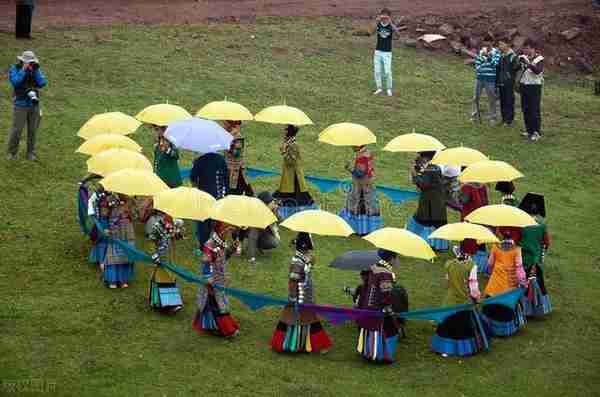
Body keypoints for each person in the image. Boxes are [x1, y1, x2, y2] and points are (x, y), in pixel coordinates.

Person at [270, 232, 332, 354]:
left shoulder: (302, 259)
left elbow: (308, 268)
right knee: (296, 319)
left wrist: (310, 262)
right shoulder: (297, 262)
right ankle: (285, 343)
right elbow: (293, 280)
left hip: (305, 297)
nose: (310, 252)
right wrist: (293, 297)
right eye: (308, 249)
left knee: (304, 319)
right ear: (305, 249)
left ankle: (290, 344)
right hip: (298, 297)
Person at [432, 248, 490, 357]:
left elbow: (446, 284)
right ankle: (461, 350)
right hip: (464, 304)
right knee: (462, 328)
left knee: (446, 327)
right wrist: (477, 298)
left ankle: (445, 349)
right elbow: (473, 288)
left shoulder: (449, 264)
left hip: (449, 302)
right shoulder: (472, 265)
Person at [192, 221, 240, 337]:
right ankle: (225, 328)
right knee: (216, 303)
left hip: (220, 279)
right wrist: (208, 277)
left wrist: (233, 248)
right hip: (212, 280)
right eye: (227, 230)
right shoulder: (210, 245)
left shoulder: (222, 243)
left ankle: (211, 325)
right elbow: (206, 262)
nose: (228, 233)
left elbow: (223, 257)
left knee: (217, 301)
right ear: (220, 231)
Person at [355, 249, 401, 363]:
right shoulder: (385, 273)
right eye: (397, 258)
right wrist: (390, 309)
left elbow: (365, 288)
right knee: (390, 329)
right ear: (391, 259)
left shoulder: (372, 268)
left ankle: (368, 352)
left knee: (369, 329)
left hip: (367, 308)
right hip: (379, 310)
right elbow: (386, 294)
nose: (398, 261)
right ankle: (381, 355)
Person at [482, 232, 528, 336]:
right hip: (509, 284)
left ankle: (488, 327)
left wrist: (490, 271)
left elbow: (489, 264)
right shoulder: (517, 249)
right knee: (506, 306)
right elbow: (519, 267)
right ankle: (502, 331)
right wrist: (522, 282)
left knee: (491, 303)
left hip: (495, 282)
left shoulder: (495, 247)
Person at [7, 50, 47, 161]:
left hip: (34, 104)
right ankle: (12, 152)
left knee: (33, 130)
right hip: (20, 104)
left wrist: (36, 70)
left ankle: (30, 153)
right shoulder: (15, 69)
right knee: (17, 130)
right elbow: (15, 82)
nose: (30, 64)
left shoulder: (35, 69)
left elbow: (42, 83)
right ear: (22, 61)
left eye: (31, 62)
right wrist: (24, 70)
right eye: (28, 62)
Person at [272, 125, 317, 220]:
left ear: (289, 132)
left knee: (295, 196)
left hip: (293, 177)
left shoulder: (294, 145)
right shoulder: (288, 143)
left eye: (286, 129)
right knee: (287, 195)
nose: (283, 131)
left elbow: (291, 161)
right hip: (289, 175)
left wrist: (283, 151)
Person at [518, 193, 552, 317]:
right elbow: (546, 242)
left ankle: (524, 310)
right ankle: (539, 309)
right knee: (538, 283)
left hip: (523, 259)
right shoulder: (542, 224)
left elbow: (517, 241)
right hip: (535, 260)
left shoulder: (521, 224)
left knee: (522, 284)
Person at [407, 151, 448, 251]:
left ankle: (414, 241)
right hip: (434, 201)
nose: (418, 158)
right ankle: (438, 245)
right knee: (435, 222)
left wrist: (414, 175)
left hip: (431, 202)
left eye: (420, 156)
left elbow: (423, 184)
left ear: (425, 158)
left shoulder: (430, 170)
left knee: (422, 221)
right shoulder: (434, 168)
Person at [223, 120, 253, 255]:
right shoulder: (228, 135)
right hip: (230, 176)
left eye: (225, 122)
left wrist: (226, 143)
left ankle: (238, 241)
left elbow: (236, 153)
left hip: (236, 179)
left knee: (236, 210)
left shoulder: (237, 137)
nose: (223, 124)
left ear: (231, 123)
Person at [339, 145, 383, 236]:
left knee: (360, 206)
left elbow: (360, 173)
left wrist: (349, 168)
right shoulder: (368, 153)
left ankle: (361, 230)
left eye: (353, 145)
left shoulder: (362, 157)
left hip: (361, 187)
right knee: (368, 205)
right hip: (368, 185)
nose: (351, 147)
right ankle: (368, 229)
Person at [146, 211, 184, 314]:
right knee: (162, 280)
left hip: (170, 257)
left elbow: (175, 238)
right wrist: (154, 255)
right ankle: (163, 304)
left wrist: (178, 233)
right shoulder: (157, 226)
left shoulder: (173, 224)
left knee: (171, 279)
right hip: (161, 258)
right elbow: (151, 241)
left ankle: (172, 302)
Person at [190, 152, 229, 245]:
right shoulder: (221, 159)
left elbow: (193, 178)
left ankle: (203, 245)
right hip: (219, 195)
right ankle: (218, 244)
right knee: (218, 222)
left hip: (204, 196)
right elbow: (226, 178)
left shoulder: (199, 161)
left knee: (203, 221)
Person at [102, 194, 136, 289]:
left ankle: (123, 280)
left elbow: (137, 216)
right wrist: (105, 227)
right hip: (114, 230)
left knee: (125, 255)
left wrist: (129, 210)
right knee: (113, 255)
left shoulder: (131, 201)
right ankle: (112, 280)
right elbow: (104, 214)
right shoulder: (110, 199)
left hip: (128, 231)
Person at [456, 179, 489, 271]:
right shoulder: (482, 186)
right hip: (480, 216)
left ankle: (468, 261)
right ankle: (481, 263)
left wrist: (460, 189)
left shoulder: (467, 187)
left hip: (469, 216)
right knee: (479, 240)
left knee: (469, 240)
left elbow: (463, 201)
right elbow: (486, 201)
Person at [518, 40, 544, 142]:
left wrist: (528, 64)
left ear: (533, 48)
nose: (525, 50)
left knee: (534, 110)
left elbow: (538, 71)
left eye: (527, 48)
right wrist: (520, 62)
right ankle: (529, 130)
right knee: (526, 109)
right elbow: (518, 69)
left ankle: (536, 132)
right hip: (524, 86)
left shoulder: (539, 59)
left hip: (535, 87)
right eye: (524, 48)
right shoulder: (524, 58)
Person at [246, 191, 281, 264]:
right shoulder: (255, 212)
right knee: (254, 233)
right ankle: (251, 256)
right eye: (271, 202)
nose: (273, 203)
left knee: (274, 242)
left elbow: (279, 221)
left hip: (263, 232)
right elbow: (252, 233)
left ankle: (257, 246)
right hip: (247, 230)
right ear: (264, 204)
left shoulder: (272, 209)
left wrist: (275, 211)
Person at [471, 43, 500, 125]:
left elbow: (495, 64)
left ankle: (493, 118)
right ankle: (474, 116)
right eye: (486, 44)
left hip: (490, 78)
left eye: (489, 44)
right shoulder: (481, 51)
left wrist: (488, 57)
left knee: (492, 98)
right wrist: (479, 67)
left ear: (491, 43)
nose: (487, 46)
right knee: (476, 97)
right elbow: (478, 62)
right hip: (480, 77)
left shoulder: (496, 52)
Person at [372, 8, 400, 96]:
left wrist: (391, 24)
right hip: (378, 51)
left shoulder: (391, 26)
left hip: (387, 52)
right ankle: (379, 88)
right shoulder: (378, 24)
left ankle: (388, 89)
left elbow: (398, 35)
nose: (384, 18)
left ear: (389, 17)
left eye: (385, 16)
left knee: (387, 72)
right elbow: (371, 32)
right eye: (382, 16)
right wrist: (376, 22)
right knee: (377, 71)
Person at [496, 41, 520, 126]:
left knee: (509, 100)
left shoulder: (513, 56)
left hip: (509, 82)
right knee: (502, 100)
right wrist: (497, 81)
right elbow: (498, 69)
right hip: (501, 81)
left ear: (507, 45)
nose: (500, 46)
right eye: (499, 44)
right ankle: (503, 119)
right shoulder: (501, 56)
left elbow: (516, 68)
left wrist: (512, 77)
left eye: (502, 44)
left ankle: (509, 120)